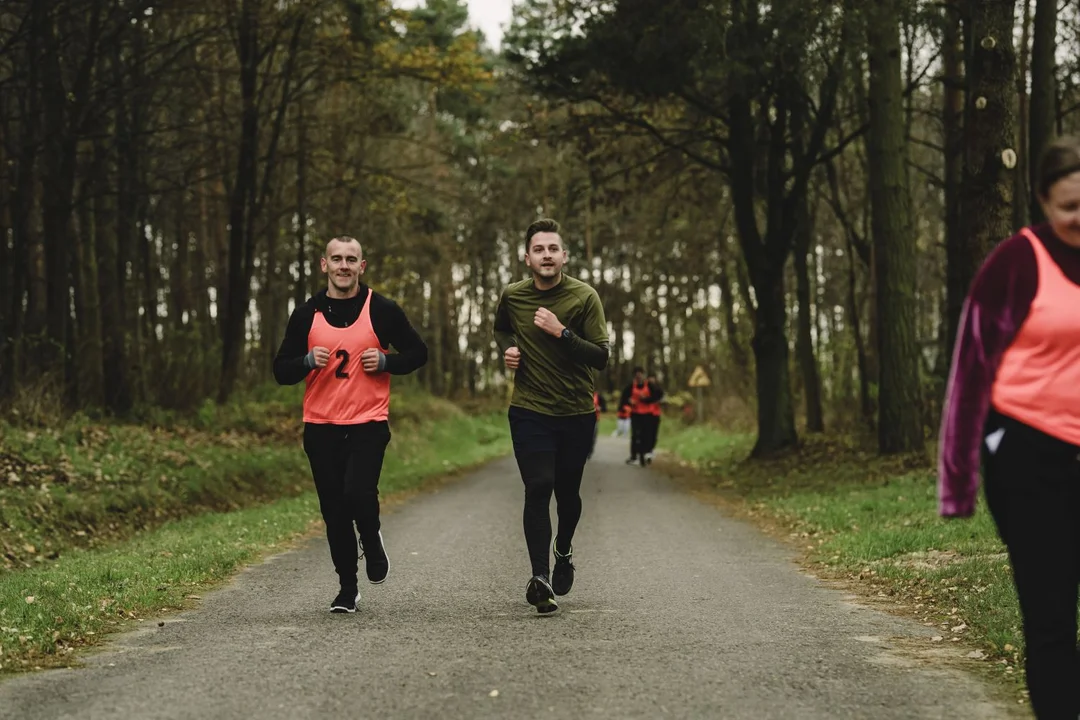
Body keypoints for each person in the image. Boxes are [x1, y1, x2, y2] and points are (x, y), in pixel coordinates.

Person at [939, 136, 1080, 719]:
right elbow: (969, 374)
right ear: (1044, 202)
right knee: (1050, 616)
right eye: (1070, 206)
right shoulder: (1016, 263)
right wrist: (958, 482)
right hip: (1027, 458)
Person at [273, 236, 428, 614]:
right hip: (321, 425)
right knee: (334, 510)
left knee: (359, 492)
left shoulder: (382, 310)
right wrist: (307, 360)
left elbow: (418, 353)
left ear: (363, 266)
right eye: (337, 259)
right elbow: (281, 370)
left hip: (368, 422)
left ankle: (371, 538)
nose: (344, 265)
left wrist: (387, 362)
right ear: (324, 265)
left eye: (351, 259)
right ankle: (347, 589)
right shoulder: (306, 314)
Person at [493, 218, 609, 614]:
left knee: (568, 494)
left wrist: (562, 333)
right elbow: (501, 329)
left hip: (576, 411)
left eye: (553, 249)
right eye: (538, 249)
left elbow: (602, 356)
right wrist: (507, 350)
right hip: (529, 409)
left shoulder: (584, 297)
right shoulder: (513, 295)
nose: (546, 255)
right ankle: (540, 577)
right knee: (538, 486)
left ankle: (563, 549)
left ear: (564, 256)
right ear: (527, 258)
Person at [620, 368, 664, 466]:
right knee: (635, 435)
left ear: (643, 376)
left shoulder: (650, 385)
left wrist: (646, 400)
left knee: (646, 434)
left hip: (648, 414)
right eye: (637, 376)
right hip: (635, 414)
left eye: (640, 375)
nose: (639, 378)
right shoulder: (630, 387)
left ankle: (645, 453)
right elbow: (623, 399)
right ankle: (633, 456)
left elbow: (659, 395)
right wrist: (629, 402)